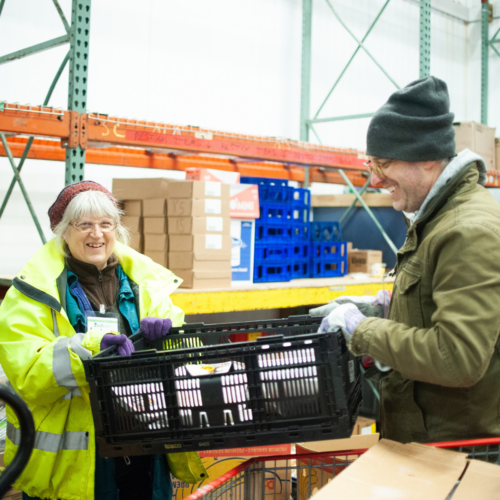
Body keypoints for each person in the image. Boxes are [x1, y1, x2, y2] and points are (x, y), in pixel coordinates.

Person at [311, 76, 500, 444]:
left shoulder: (466, 230)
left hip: (458, 452)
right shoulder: (436, 219)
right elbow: (433, 307)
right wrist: (386, 310)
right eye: (372, 166)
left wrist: (361, 330)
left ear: (427, 158)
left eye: (384, 165)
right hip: (427, 441)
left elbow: (458, 357)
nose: (377, 181)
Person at [0, 181, 207, 500]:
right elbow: (27, 374)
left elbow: (191, 361)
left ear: (117, 229)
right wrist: (88, 350)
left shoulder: (148, 285)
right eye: (83, 224)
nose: (96, 234)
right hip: (74, 463)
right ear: (62, 232)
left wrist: (169, 340)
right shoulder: (31, 295)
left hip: (145, 447)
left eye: (105, 224)